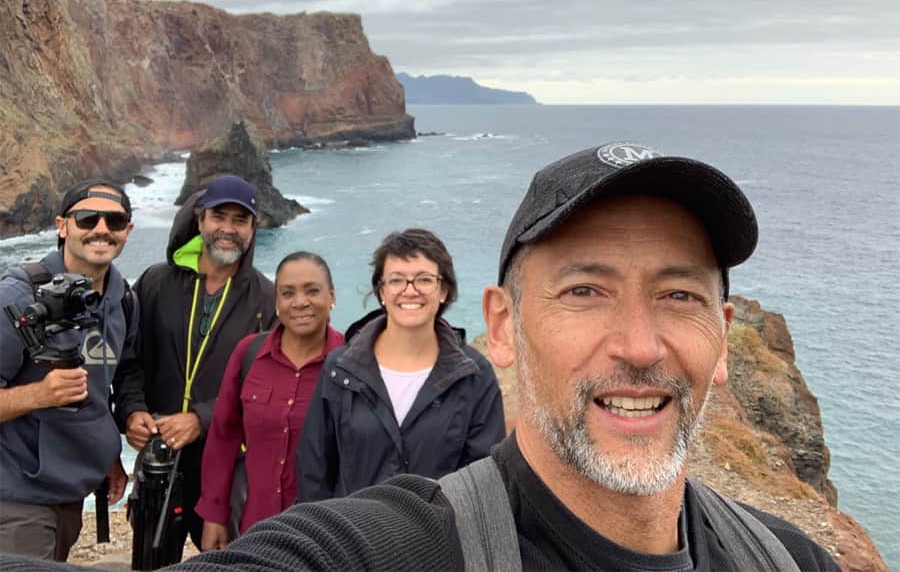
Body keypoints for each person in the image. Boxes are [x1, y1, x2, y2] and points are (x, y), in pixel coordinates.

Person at [0, 143, 840, 571]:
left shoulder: (790, 558)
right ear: (504, 323)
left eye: (678, 294)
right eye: (584, 289)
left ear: (724, 335)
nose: (640, 343)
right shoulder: (406, 544)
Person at [112, 174, 276, 551]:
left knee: (230, 561)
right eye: (219, 217)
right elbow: (128, 359)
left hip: (228, 469)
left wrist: (201, 419)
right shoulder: (155, 282)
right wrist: (131, 410)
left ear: (254, 228)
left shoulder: (266, 300)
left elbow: (266, 388)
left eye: (240, 220)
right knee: (153, 561)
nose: (228, 229)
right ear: (200, 219)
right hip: (159, 459)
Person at [296, 228, 505, 501]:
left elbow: (483, 483)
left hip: (437, 540)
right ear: (381, 290)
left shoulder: (474, 376)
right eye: (396, 280)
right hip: (353, 539)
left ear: (443, 290)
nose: (410, 291)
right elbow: (315, 472)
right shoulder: (340, 370)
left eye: (424, 279)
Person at [0, 179, 136, 561]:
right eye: (87, 218)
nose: (101, 229)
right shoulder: (19, 295)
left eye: (114, 220)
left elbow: (108, 381)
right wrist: (38, 395)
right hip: (17, 497)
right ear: (63, 226)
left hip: (71, 493)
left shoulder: (122, 298)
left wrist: (107, 453)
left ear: (128, 230)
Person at [196, 251, 344, 550]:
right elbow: (224, 436)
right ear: (276, 303)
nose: (299, 302)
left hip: (324, 536)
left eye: (312, 291)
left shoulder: (351, 362)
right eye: (287, 293)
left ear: (332, 297)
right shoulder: (249, 353)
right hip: (254, 529)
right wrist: (214, 515)